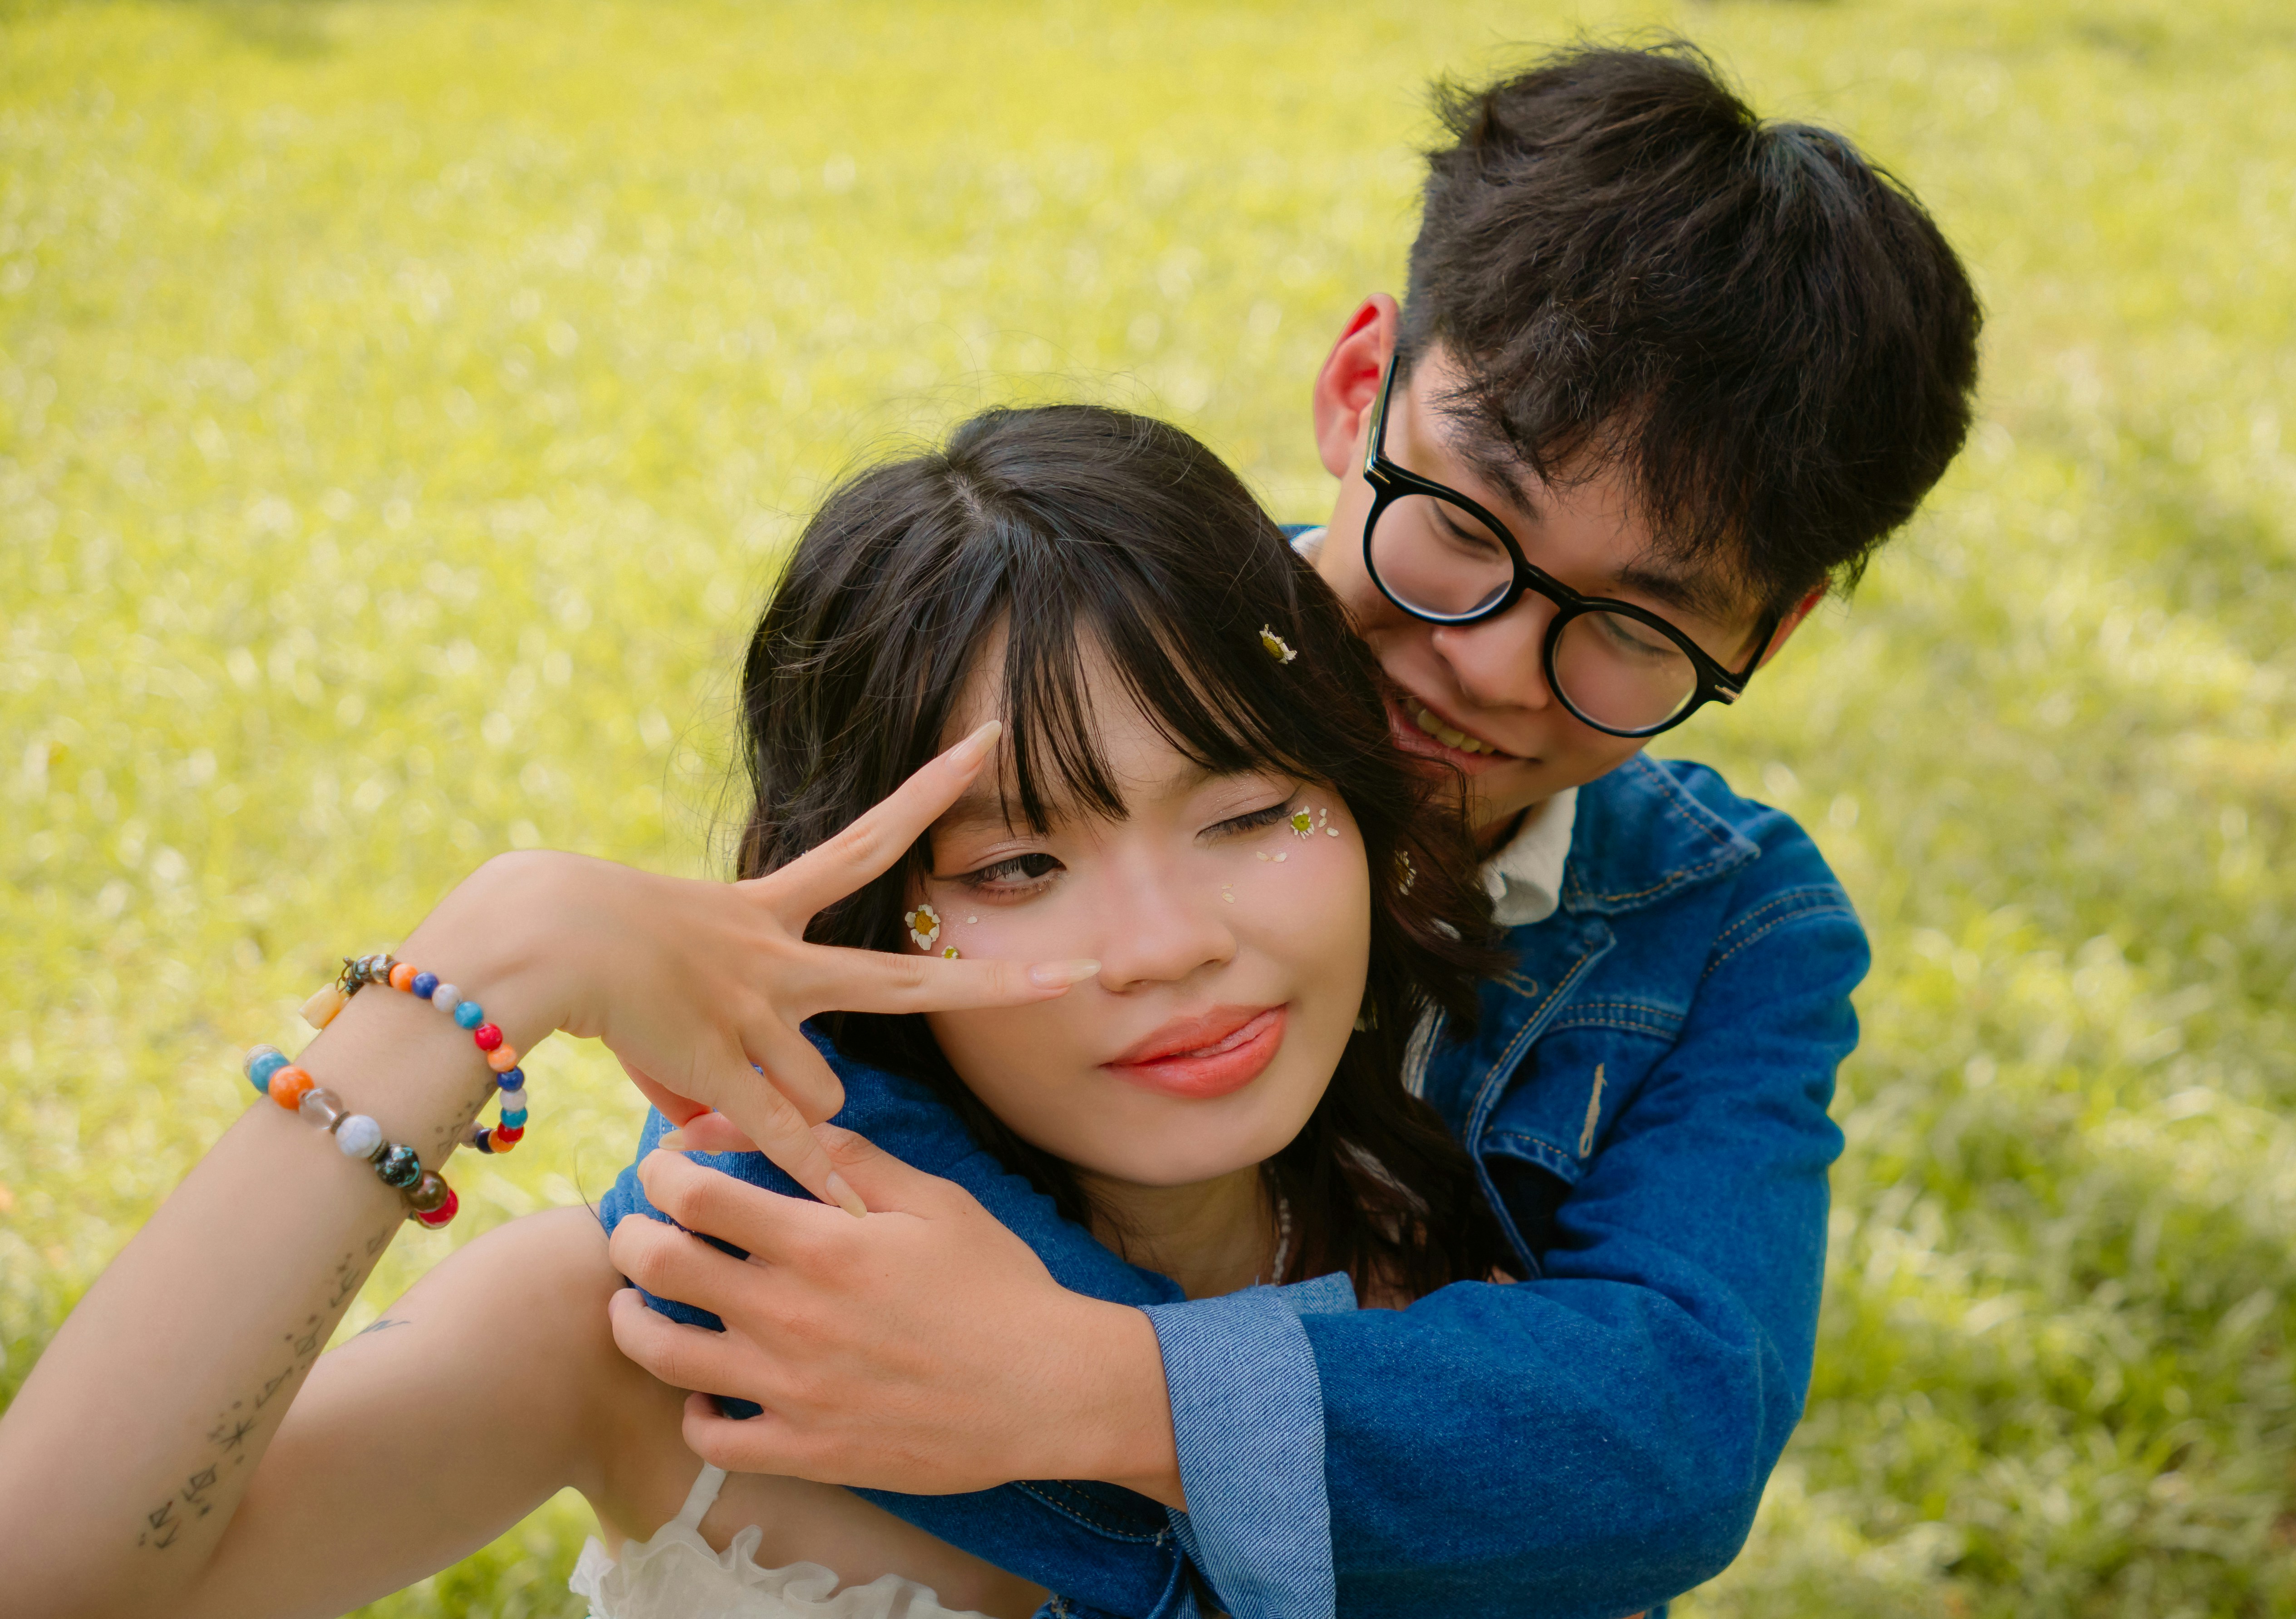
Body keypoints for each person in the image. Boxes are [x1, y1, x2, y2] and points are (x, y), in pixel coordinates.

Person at [595, 38, 1985, 1619]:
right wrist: (1410, 1480)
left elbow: (1672, 1437)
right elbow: (757, 1220)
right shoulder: (1045, 643)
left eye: (1636, 629)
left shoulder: (1729, 922)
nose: (1492, 666)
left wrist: (1102, 1390)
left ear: (1772, 632)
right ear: (1357, 387)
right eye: (1467, 526)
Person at [0, 406, 1509, 1619]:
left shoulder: (1511, 1255)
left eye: (1246, 814)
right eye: (1022, 862)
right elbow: (54, 1580)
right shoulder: (663, 1325)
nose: (1168, 946)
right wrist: (498, 952)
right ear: (847, 913)